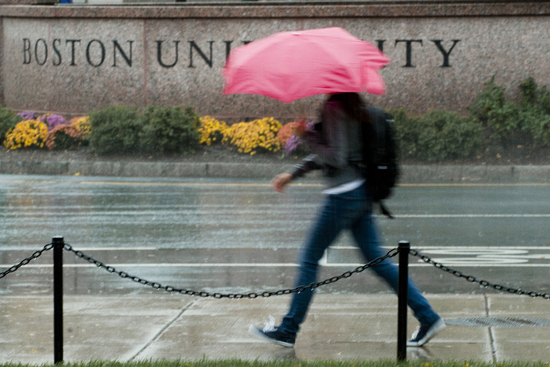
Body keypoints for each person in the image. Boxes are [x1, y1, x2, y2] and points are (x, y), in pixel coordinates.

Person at [249, 92, 445, 348]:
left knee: (309, 258)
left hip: (343, 196)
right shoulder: (350, 105)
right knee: (378, 262)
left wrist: (305, 135)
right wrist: (294, 172)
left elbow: (335, 157)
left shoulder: (334, 107)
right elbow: (338, 153)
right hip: (359, 192)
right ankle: (428, 316)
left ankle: (288, 330)